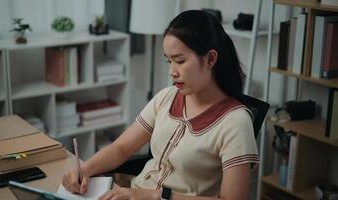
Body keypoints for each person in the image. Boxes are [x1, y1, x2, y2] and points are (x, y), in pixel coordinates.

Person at [62, 10, 259, 200]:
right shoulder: (167, 97)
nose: (172, 71)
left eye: (180, 61)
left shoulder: (235, 122)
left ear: (210, 59)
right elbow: (122, 147)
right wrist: (83, 170)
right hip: (134, 192)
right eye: (169, 61)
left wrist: (157, 196)